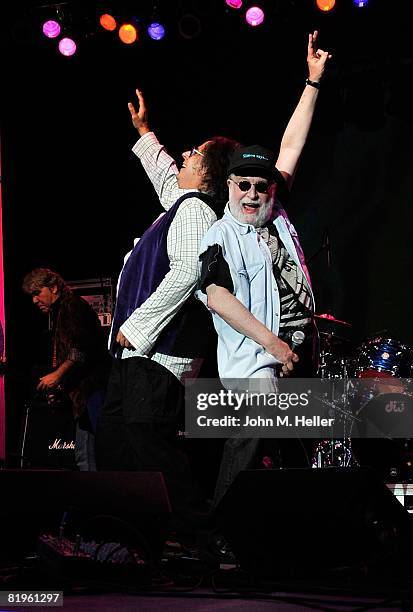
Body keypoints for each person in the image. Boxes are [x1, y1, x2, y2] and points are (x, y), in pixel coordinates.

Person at [96, 90, 239, 537]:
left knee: (149, 447)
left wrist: (136, 328)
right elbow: (165, 178)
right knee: (117, 444)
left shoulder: (196, 209)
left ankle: (198, 535)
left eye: (193, 153)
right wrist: (143, 132)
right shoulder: (184, 204)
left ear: (207, 172)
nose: (184, 154)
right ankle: (132, 537)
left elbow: (188, 273)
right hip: (139, 355)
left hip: (156, 355)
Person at [197, 31, 331, 505]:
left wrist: (312, 81)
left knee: (296, 450)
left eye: (262, 186)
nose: (253, 194)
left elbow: (291, 146)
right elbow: (216, 296)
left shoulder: (275, 213)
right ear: (229, 185)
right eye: (244, 185)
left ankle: (282, 536)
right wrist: (272, 344)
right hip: (257, 361)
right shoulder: (220, 234)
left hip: (296, 351)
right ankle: (223, 535)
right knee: (248, 448)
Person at [22, 268, 111, 470]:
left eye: (37, 293)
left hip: (94, 391)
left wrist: (57, 376)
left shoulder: (73, 306)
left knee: (91, 456)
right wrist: (60, 388)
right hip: (84, 394)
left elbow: (81, 349)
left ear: (53, 287)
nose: (34, 301)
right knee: (84, 456)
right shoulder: (60, 312)